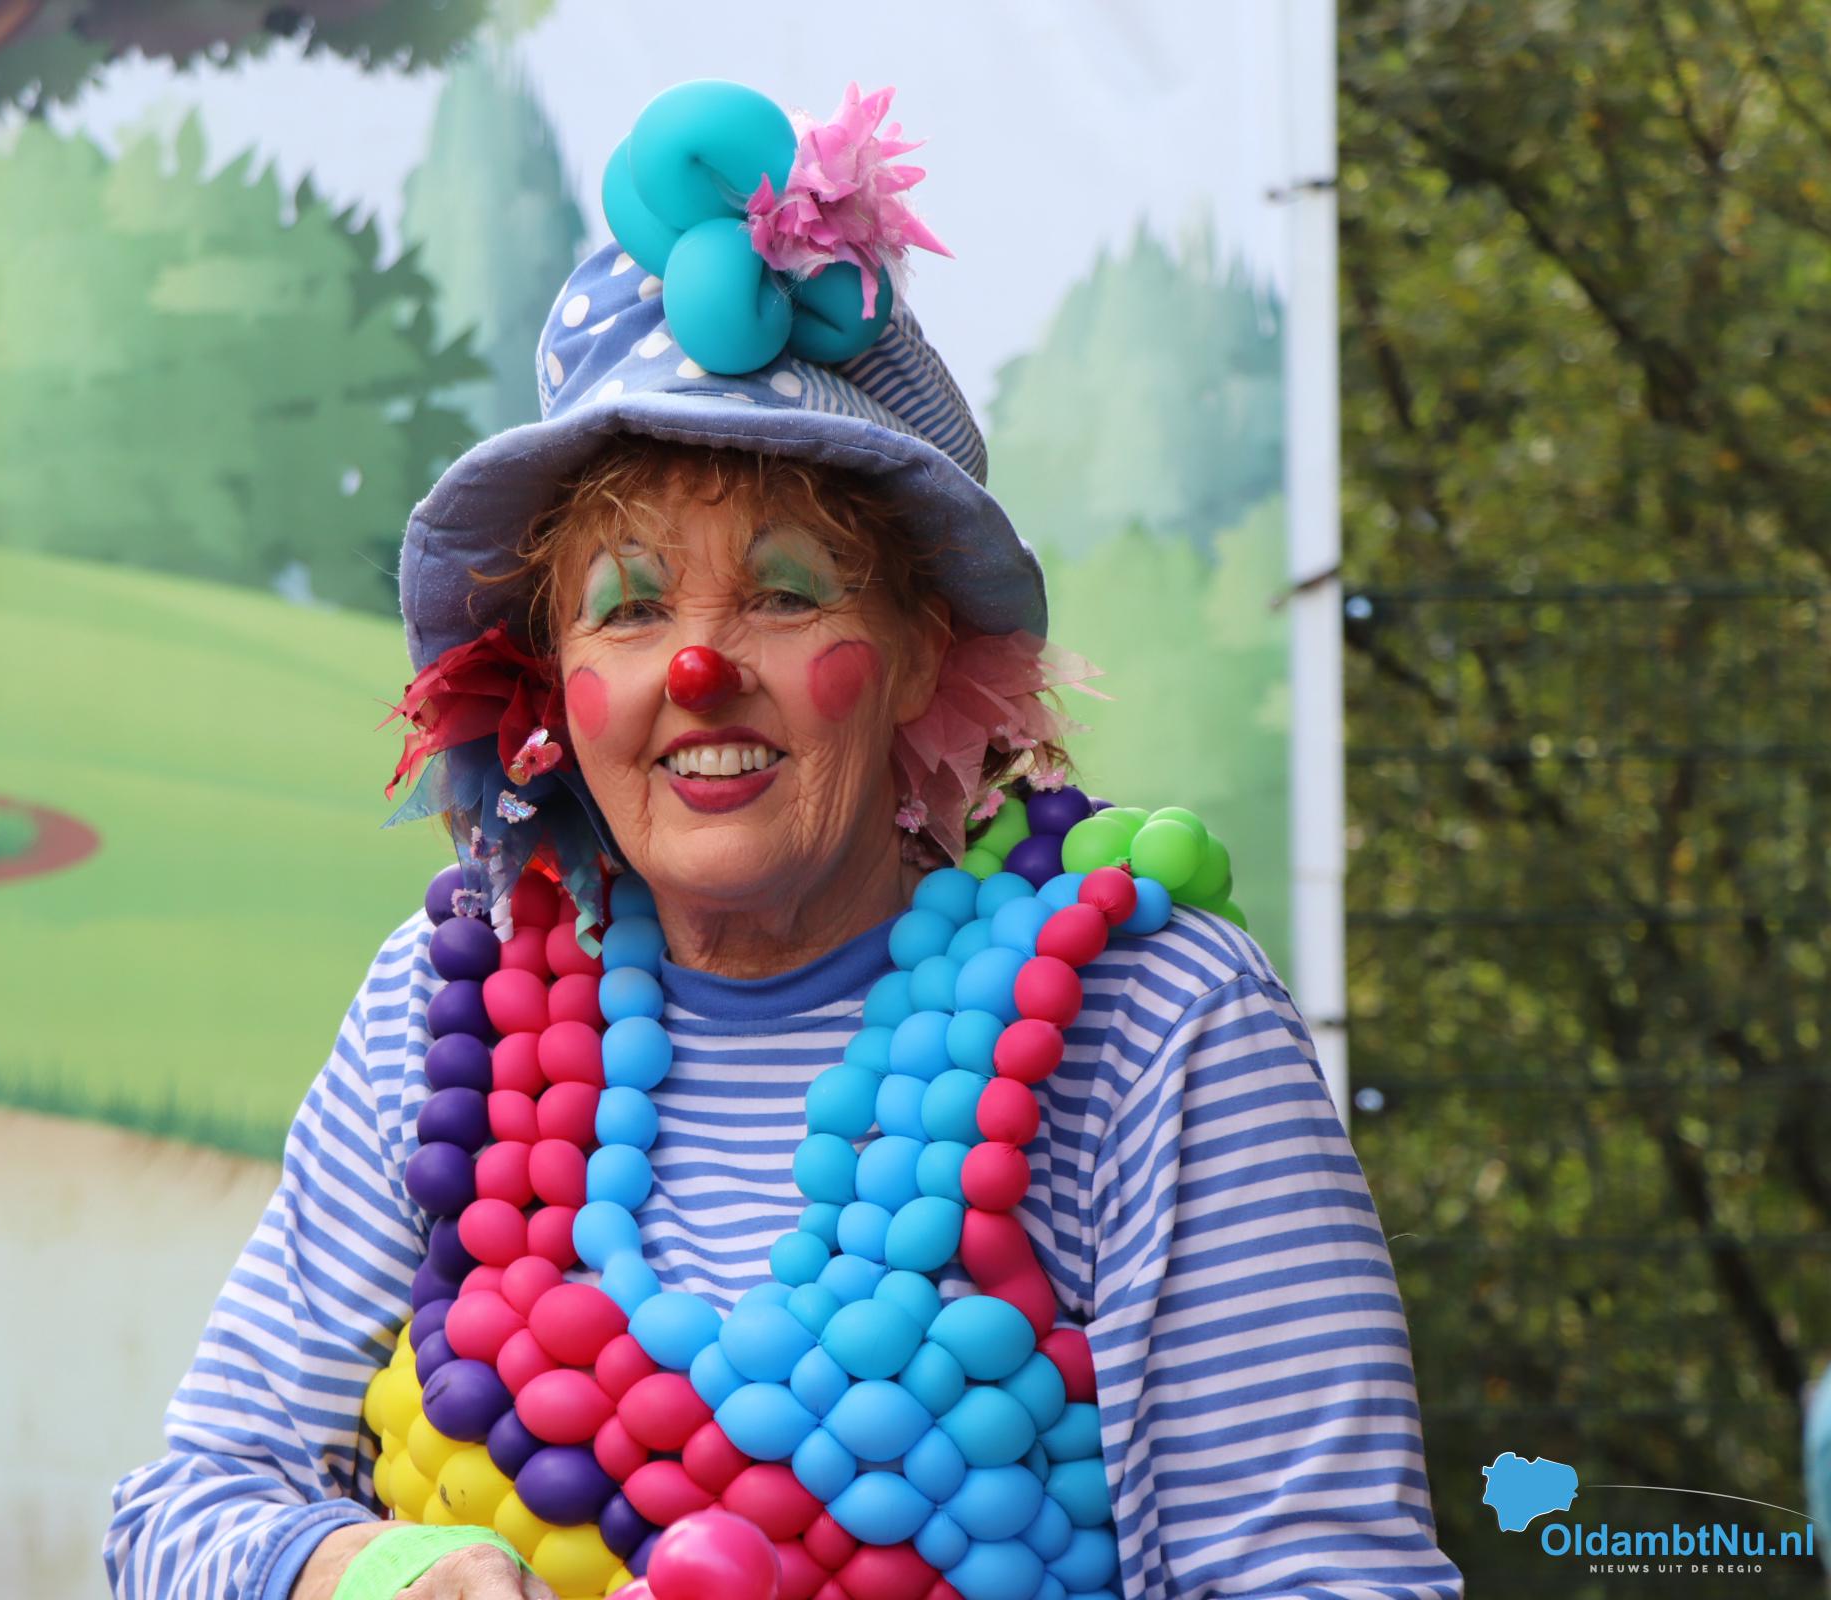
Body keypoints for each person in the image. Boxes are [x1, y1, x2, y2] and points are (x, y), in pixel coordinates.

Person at [109, 80, 1464, 1600]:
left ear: (919, 649)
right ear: (555, 674)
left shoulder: (1154, 1026)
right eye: (631, 607)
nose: (700, 671)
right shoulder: (443, 1015)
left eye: (784, 591)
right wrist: (380, 1576)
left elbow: (1332, 1578)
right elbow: (183, 1509)